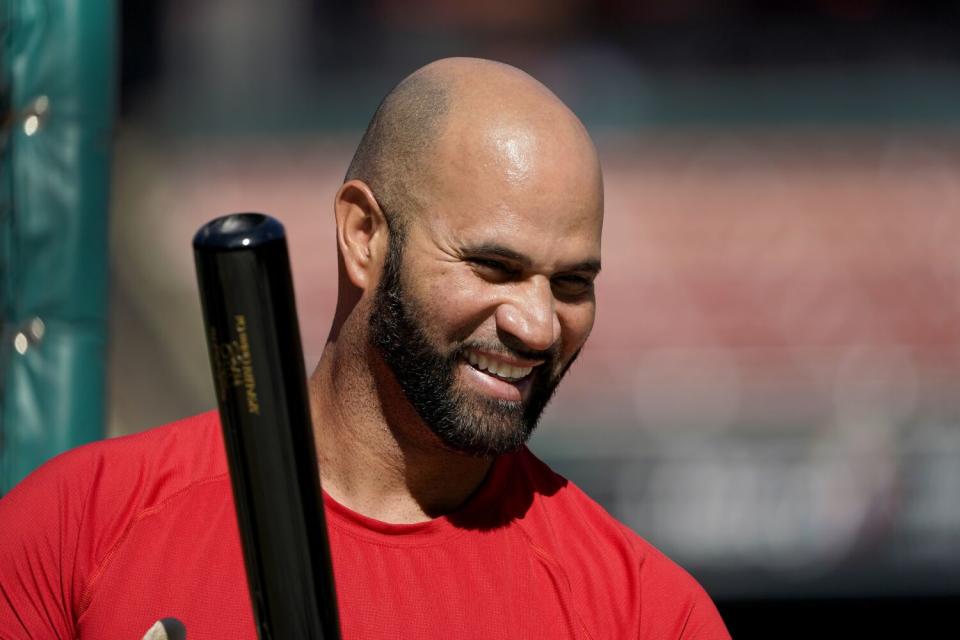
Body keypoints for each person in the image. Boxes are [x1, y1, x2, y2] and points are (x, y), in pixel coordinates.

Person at [0, 58, 730, 639]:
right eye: (493, 268)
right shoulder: (76, 527)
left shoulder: (647, 617)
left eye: (571, 283)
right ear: (364, 236)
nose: (539, 326)